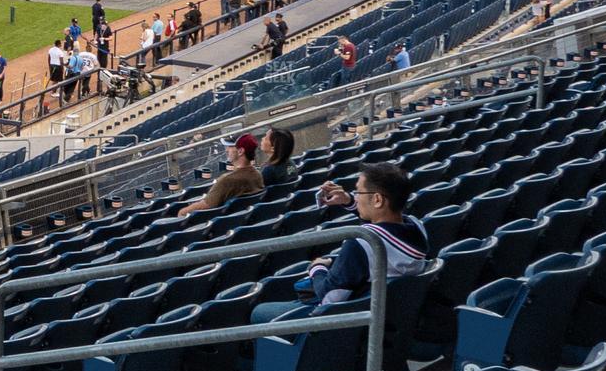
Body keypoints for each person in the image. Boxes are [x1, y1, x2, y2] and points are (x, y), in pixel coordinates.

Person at [251, 163, 430, 324]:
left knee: (259, 312)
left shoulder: (360, 244)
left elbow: (330, 300)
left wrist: (318, 268)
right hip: (390, 315)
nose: (356, 196)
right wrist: (349, 202)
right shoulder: (416, 226)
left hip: (337, 323)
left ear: (377, 199)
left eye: (358, 192)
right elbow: (384, 228)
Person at [180, 134, 264, 218]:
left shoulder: (227, 180)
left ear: (240, 151)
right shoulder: (257, 174)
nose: (226, 150)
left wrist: (182, 212)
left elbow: (204, 205)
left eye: (230, 147)